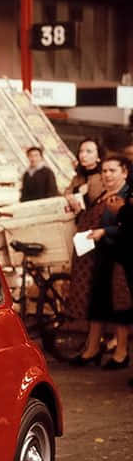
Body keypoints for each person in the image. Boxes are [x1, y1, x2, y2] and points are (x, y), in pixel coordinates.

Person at [70, 156, 131, 369]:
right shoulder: (102, 194)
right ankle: (92, 349)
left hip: (120, 259)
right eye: (104, 171)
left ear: (124, 172)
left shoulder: (127, 196)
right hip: (99, 257)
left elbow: (129, 227)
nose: (107, 175)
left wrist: (105, 231)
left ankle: (121, 353)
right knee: (97, 304)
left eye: (112, 170)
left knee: (120, 307)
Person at [64, 138, 103, 215]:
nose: (83, 155)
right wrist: (75, 193)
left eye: (89, 151)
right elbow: (67, 193)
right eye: (81, 151)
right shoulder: (78, 177)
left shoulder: (104, 177)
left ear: (98, 157)